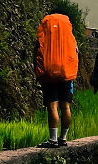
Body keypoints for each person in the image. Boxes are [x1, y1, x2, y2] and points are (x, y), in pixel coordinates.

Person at [34, 12, 79, 147]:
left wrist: (38, 73)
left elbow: (36, 53)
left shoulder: (45, 36)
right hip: (65, 74)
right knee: (66, 106)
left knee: (52, 105)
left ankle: (52, 139)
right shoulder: (70, 36)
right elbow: (76, 53)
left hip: (49, 74)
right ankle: (63, 138)